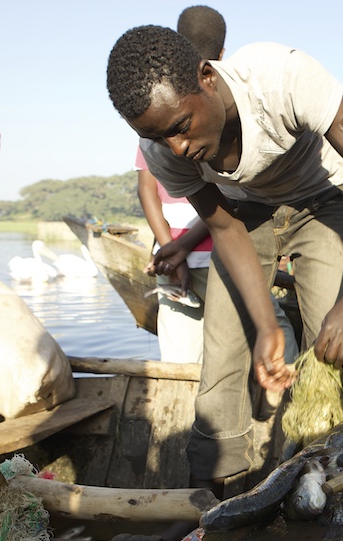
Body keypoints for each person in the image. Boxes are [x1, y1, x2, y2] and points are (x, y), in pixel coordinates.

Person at [107, 26, 343, 491]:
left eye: (181, 128)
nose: (177, 149)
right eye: (157, 138)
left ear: (206, 76)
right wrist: (267, 328)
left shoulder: (280, 78)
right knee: (224, 348)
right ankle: (208, 495)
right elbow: (225, 228)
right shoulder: (162, 150)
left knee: (330, 350)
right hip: (244, 214)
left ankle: (325, 469)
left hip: (322, 202)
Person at [136, 4, 297, 365]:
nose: (177, 146)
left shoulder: (157, 111)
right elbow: (231, 204)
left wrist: (170, 246)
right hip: (213, 249)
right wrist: (175, 247)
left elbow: (147, 190)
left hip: (196, 247)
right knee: (263, 331)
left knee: (187, 349)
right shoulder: (180, 114)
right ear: (220, 56)